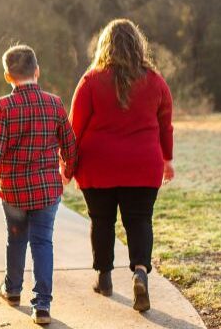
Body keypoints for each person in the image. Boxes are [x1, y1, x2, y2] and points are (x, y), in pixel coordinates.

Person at [65, 18, 174, 312]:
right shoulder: (155, 82)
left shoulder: (90, 81)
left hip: (98, 165)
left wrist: (68, 167)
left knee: (102, 221)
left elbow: (74, 129)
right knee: (139, 220)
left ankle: (104, 277)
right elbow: (165, 126)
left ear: (105, 45)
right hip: (143, 164)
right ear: (139, 45)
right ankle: (140, 271)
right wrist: (168, 160)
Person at [0, 45, 77, 326]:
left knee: (16, 238)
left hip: (14, 192)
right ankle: (42, 306)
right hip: (46, 190)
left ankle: (12, 289)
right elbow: (70, 144)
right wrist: (68, 170)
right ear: (37, 71)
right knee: (43, 242)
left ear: (8, 76)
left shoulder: (4, 107)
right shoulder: (54, 103)